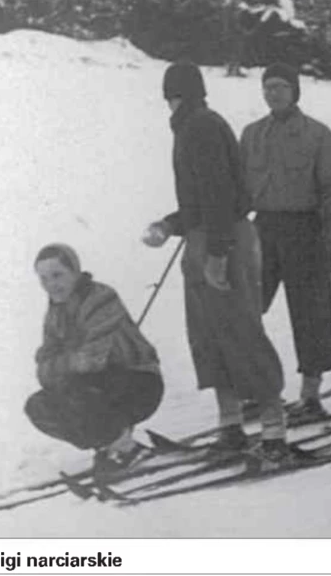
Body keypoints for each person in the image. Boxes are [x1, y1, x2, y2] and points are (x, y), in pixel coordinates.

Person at [143, 61, 300, 468]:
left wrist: (217, 253)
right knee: (209, 337)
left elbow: (220, 194)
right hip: (208, 238)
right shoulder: (192, 126)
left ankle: (273, 432)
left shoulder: (202, 127)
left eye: (170, 96)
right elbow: (201, 200)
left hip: (224, 242)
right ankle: (231, 426)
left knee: (241, 333)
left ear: (175, 95)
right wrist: (169, 225)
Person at [240, 63, 331, 423]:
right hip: (263, 228)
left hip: (306, 228)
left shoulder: (318, 134)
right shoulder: (252, 133)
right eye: (268, 87)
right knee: (248, 309)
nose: (273, 93)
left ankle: (311, 394)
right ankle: (258, 391)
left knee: (311, 312)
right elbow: (240, 185)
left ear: (295, 91)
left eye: (281, 87)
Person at [25, 243, 163, 473]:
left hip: (139, 383)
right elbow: (45, 369)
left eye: (58, 275)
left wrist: (56, 365)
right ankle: (108, 445)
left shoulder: (100, 298)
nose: (51, 285)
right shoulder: (55, 312)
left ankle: (124, 447)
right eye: (44, 279)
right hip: (95, 386)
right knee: (38, 406)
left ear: (75, 272)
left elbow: (91, 361)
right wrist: (60, 365)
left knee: (77, 392)